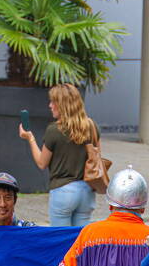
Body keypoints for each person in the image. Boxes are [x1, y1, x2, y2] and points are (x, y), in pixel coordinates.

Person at [18, 83, 100, 226]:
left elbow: (42, 163)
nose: (50, 105)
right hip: (87, 191)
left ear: (62, 105)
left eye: (53, 102)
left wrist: (30, 138)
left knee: (61, 240)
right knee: (79, 241)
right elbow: (97, 157)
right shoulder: (92, 126)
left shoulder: (54, 130)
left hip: (63, 192)